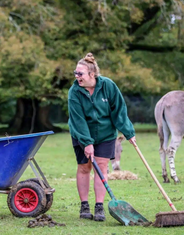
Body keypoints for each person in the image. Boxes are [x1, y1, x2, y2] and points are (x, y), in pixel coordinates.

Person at [68, 52, 136, 222]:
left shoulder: (108, 86)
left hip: (106, 134)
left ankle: (99, 206)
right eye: (75, 73)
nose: (77, 77)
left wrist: (129, 133)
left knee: (102, 167)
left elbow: (119, 110)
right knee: (85, 167)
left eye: (80, 73)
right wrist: (87, 142)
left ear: (92, 74)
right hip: (81, 132)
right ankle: (85, 205)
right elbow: (78, 119)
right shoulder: (74, 92)